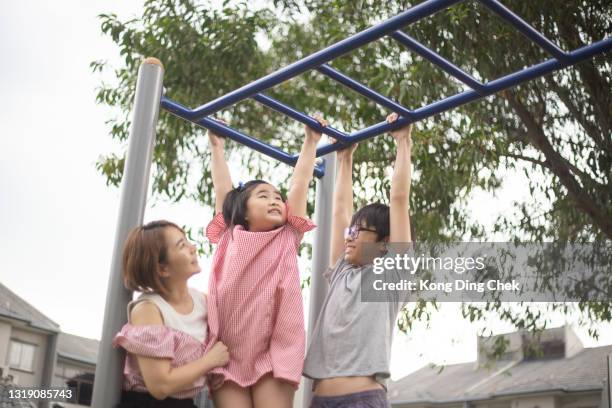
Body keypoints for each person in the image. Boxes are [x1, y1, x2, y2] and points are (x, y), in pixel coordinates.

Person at [204, 115, 326, 408]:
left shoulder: (286, 237)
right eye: (263, 196)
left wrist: (310, 141)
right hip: (226, 354)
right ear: (242, 211)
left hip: (274, 354)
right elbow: (223, 189)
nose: (275, 200)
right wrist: (216, 147)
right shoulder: (229, 235)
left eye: (277, 197)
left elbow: (300, 182)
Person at [303, 112, 414, 408]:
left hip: (362, 399)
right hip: (320, 400)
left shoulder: (390, 273)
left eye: (359, 230)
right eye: (349, 231)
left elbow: (399, 200)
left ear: (385, 242)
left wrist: (403, 140)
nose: (349, 236)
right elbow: (340, 211)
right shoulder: (342, 269)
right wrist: (344, 157)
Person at [113, 220, 230, 408]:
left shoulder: (203, 301)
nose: (193, 248)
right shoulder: (148, 308)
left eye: (187, 241)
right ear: (162, 268)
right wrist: (210, 361)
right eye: (181, 245)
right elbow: (160, 385)